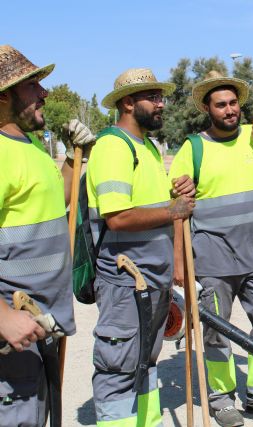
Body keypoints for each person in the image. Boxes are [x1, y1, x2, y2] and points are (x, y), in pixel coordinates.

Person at [169, 70, 253, 427]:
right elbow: (178, 212)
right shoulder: (192, 149)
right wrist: (179, 263)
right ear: (208, 110)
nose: (229, 110)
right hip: (212, 261)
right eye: (220, 105)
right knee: (217, 331)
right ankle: (221, 399)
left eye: (233, 103)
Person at [87, 68, 195, 426]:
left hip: (151, 281)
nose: (162, 104)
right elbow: (117, 216)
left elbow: (149, 206)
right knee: (118, 369)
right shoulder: (113, 146)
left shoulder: (146, 147)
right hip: (125, 281)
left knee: (145, 364)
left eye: (161, 96)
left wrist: (172, 195)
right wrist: (172, 209)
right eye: (154, 97)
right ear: (129, 103)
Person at [0, 45, 93, 427]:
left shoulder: (29, 144)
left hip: (39, 325)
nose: (44, 93)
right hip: (12, 333)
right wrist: (3, 316)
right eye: (34, 84)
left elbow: (58, 201)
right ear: (5, 95)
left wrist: (74, 158)